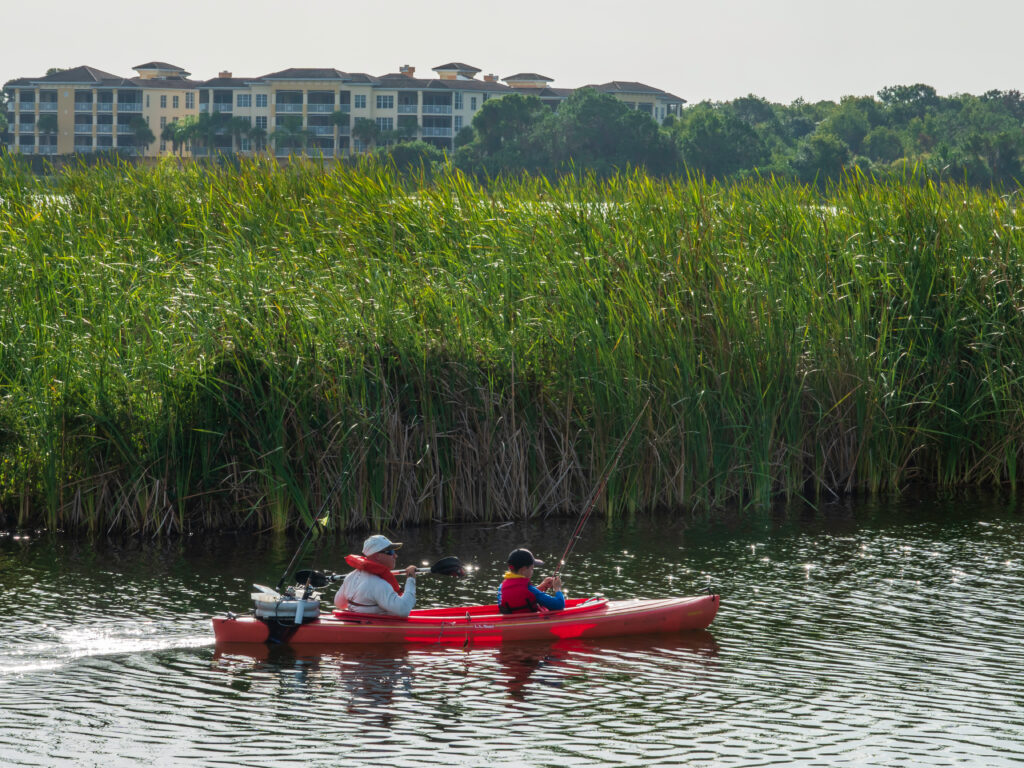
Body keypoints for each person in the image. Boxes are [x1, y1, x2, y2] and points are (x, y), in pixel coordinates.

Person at [334, 534, 418, 617]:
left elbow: (339, 604)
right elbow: (404, 610)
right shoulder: (378, 583)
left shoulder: (351, 576)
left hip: (359, 621)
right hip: (371, 626)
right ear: (377, 556)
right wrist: (411, 578)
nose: (395, 556)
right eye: (391, 552)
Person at [497, 548, 565, 613]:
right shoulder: (530, 589)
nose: (532, 571)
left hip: (509, 620)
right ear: (523, 569)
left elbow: (520, 595)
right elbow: (559, 605)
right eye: (532, 569)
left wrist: (541, 586)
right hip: (528, 622)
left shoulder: (502, 586)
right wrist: (557, 588)